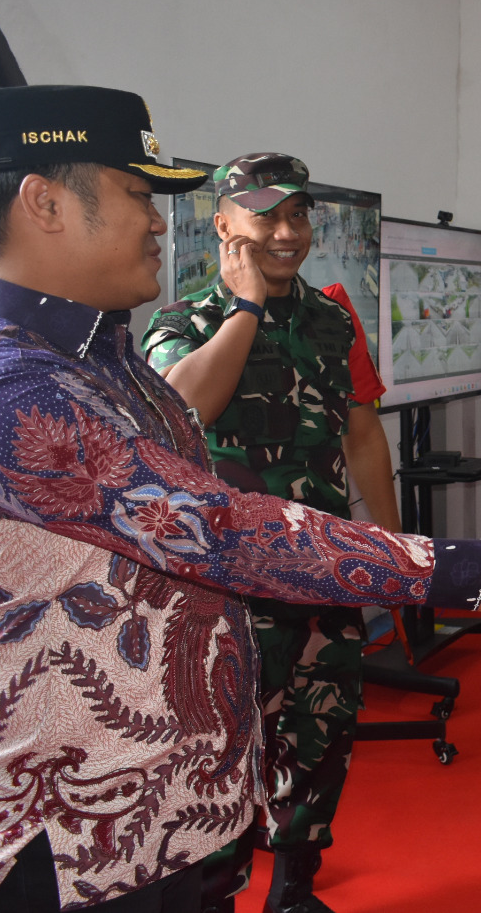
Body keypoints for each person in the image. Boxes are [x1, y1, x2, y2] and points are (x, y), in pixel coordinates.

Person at [0, 85, 481, 912]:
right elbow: (207, 527)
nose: (157, 220)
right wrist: (448, 568)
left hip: (165, 822)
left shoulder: (100, 356)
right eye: (140, 194)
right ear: (44, 202)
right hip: (64, 840)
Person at [141, 153, 399, 913]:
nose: (286, 231)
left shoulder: (332, 319)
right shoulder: (180, 320)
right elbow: (180, 409)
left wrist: (393, 551)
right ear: (223, 224)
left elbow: (361, 433)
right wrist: (244, 307)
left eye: (297, 214)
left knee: (321, 734)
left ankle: (294, 885)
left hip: (320, 574)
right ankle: (216, 891)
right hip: (224, 590)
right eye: (265, 215)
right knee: (220, 751)